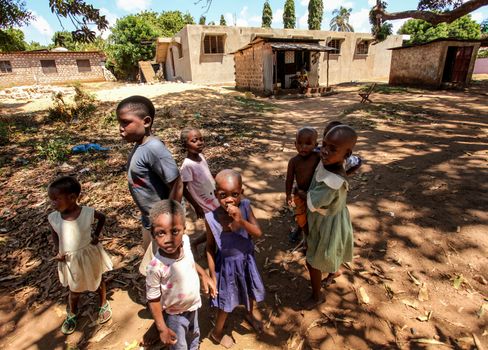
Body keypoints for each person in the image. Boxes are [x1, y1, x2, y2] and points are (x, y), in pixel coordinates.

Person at [116, 95, 183, 275]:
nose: (120, 128)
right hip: (150, 218)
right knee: (153, 264)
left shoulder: (154, 149)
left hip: (163, 221)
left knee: (167, 266)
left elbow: (176, 183)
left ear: (146, 122)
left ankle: (173, 300)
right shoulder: (140, 145)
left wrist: (171, 219)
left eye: (125, 123)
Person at [296, 125, 358, 309]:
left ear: (346, 154)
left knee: (312, 259)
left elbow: (313, 202)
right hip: (329, 216)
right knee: (328, 248)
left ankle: (317, 296)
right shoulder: (333, 160)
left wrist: (299, 193)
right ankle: (335, 270)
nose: (324, 151)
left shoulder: (333, 182)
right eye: (324, 144)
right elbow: (358, 161)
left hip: (326, 221)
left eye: (332, 149)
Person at [205, 169, 265, 348]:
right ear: (216, 195)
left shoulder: (245, 207)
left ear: (242, 193)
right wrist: (212, 276)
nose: (229, 200)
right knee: (226, 302)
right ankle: (216, 333)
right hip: (227, 268)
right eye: (223, 195)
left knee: (249, 289)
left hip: (246, 261)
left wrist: (241, 223)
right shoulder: (211, 218)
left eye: (234, 194)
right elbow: (209, 247)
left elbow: (258, 233)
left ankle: (249, 313)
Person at [145, 200, 216, 349]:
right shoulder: (155, 267)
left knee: (194, 336)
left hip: (193, 307)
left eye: (174, 231)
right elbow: (153, 299)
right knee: (179, 345)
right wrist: (162, 328)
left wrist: (204, 274)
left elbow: (189, 261)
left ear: (184, 229)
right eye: (161, 233)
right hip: (174, 315)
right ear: (152, 233)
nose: (169, 239)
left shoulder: (185, 241)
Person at [47, 176, 113, 335]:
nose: (53, 203)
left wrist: (96, 235)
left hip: (89, 254)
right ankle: (72, 313)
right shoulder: (54, 218)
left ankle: (103, 303)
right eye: (51, 200)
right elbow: (55, 234)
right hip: (71, 259)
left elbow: (102, 217)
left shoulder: (87, 213)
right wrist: (58, 250)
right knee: (74, 289)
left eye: (56, 199)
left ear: (72, 197)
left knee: (98, 280)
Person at [179, 127, 219, 253]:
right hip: (204, 203)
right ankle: (210, 252)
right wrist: (196, 206)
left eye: (201, 139)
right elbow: (183, 189)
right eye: (194, 140)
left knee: (216, 227)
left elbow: (205, 174)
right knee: (215, 227)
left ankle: (197, 243)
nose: (200, 142)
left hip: (214, 197)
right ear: (185, 144)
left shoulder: (201, 156)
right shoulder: (187, 166)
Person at [285, 127, 320, 243]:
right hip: (300, 195)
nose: (303, 147)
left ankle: (306, 235)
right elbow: (289, 179)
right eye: (299, 143)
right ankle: (305, 236)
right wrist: (288, 195)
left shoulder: (318, 157)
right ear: (295, 144)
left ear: (316, 145)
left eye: (308, 144)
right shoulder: (294, 161)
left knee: (312, 217)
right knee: (301, 216)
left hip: (314, 194)